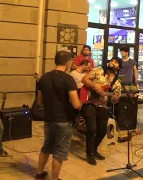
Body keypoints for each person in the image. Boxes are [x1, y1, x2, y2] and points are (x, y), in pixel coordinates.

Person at [35, 51, 82, 180]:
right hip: (64, 120)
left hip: (49, 118)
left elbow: (40, 101)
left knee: (46, 146)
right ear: (67, 63)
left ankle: (39, 172)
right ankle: (54, 179)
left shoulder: (44, 78)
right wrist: (81, 103)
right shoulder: (68, 78)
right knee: (59, 152)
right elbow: (75, 104)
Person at [81, 57, 122, 165]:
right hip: (89, 102)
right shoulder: (98, 70)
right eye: (112, 60)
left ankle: (93, 149)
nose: (113, 62)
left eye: (116, 62)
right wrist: (94, 85)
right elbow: (84, 79)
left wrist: (115, 98)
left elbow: (113, 100)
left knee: (102, 131)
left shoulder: (117, 82)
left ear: (118, 67)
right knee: (92, 128)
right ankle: (89, 153)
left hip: (103, 106)